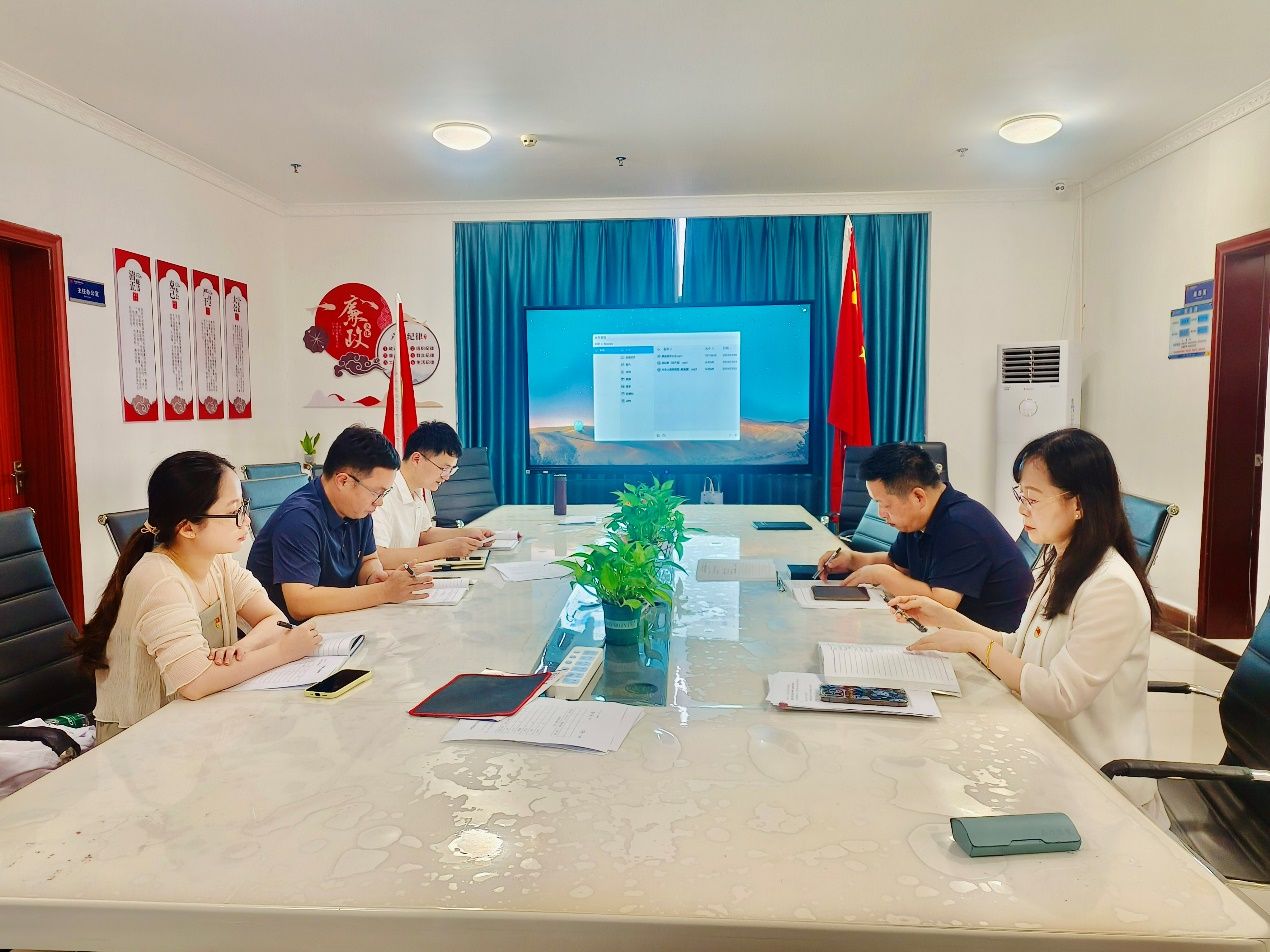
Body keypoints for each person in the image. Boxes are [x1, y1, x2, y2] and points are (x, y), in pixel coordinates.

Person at [894, 428, 1165, 826]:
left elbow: (1058, 695)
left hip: (1098, 788)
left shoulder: (1111, 588)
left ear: (1079, 503)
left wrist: (976, 644)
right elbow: (1020, 649)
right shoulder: (1058, 560)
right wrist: (945, 617)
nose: (1022, 511)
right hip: (1047, 754)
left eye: (1032, 499)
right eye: (1020, 495)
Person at [74, 451, 323, 741]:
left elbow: (274, 620)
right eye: (234, 512)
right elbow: (195, 682)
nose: (246, 520)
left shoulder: (217, 562)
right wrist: (283, 652)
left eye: (243, 506)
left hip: (197, 718)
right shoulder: (159, 580)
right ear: (188, 528)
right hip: (140, 737)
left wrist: (243, 648)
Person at [818, 443, 1032, 631]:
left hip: (986, 649)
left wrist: (882, 575)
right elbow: (896, 563)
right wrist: (852, 559)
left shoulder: (961, 525)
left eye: (885, 505)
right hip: (949, 634)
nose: (881, 513)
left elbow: (942, 604)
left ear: (918, 497)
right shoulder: (919, 520)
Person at [247, 425, 432, 621]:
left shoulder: (359, 510)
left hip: (333, 623)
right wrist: (383, 592)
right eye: (376, 492)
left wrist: (374, 577)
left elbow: (368, 560)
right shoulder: (299, 519)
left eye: (384, 493)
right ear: (343, 481)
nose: (379, 502)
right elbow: (300, 603)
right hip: (286, 632)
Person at [372, 421, 495, 568]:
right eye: (444, 468)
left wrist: (467, 533)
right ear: (417, 459)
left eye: (451, 470)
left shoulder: (417, 490)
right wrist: (444, 549)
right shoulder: (384, 494)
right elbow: (379, 557)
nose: (446, 477)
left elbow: (424, 534)